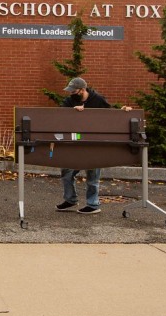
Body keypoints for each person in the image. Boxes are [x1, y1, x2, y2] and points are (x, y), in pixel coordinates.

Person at [56, 76, 132, 214]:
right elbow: (62, 115)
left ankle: (93, 204)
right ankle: (70, 199)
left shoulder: (98, 99)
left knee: (92, 174)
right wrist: (74, 111)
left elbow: (109, 114)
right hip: (76, 143)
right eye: (70, 91)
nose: (71, 93)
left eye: (74, 91)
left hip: (94, 142)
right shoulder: (69, 101)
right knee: (66, 171)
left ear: (83, 90)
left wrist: (123, 111)